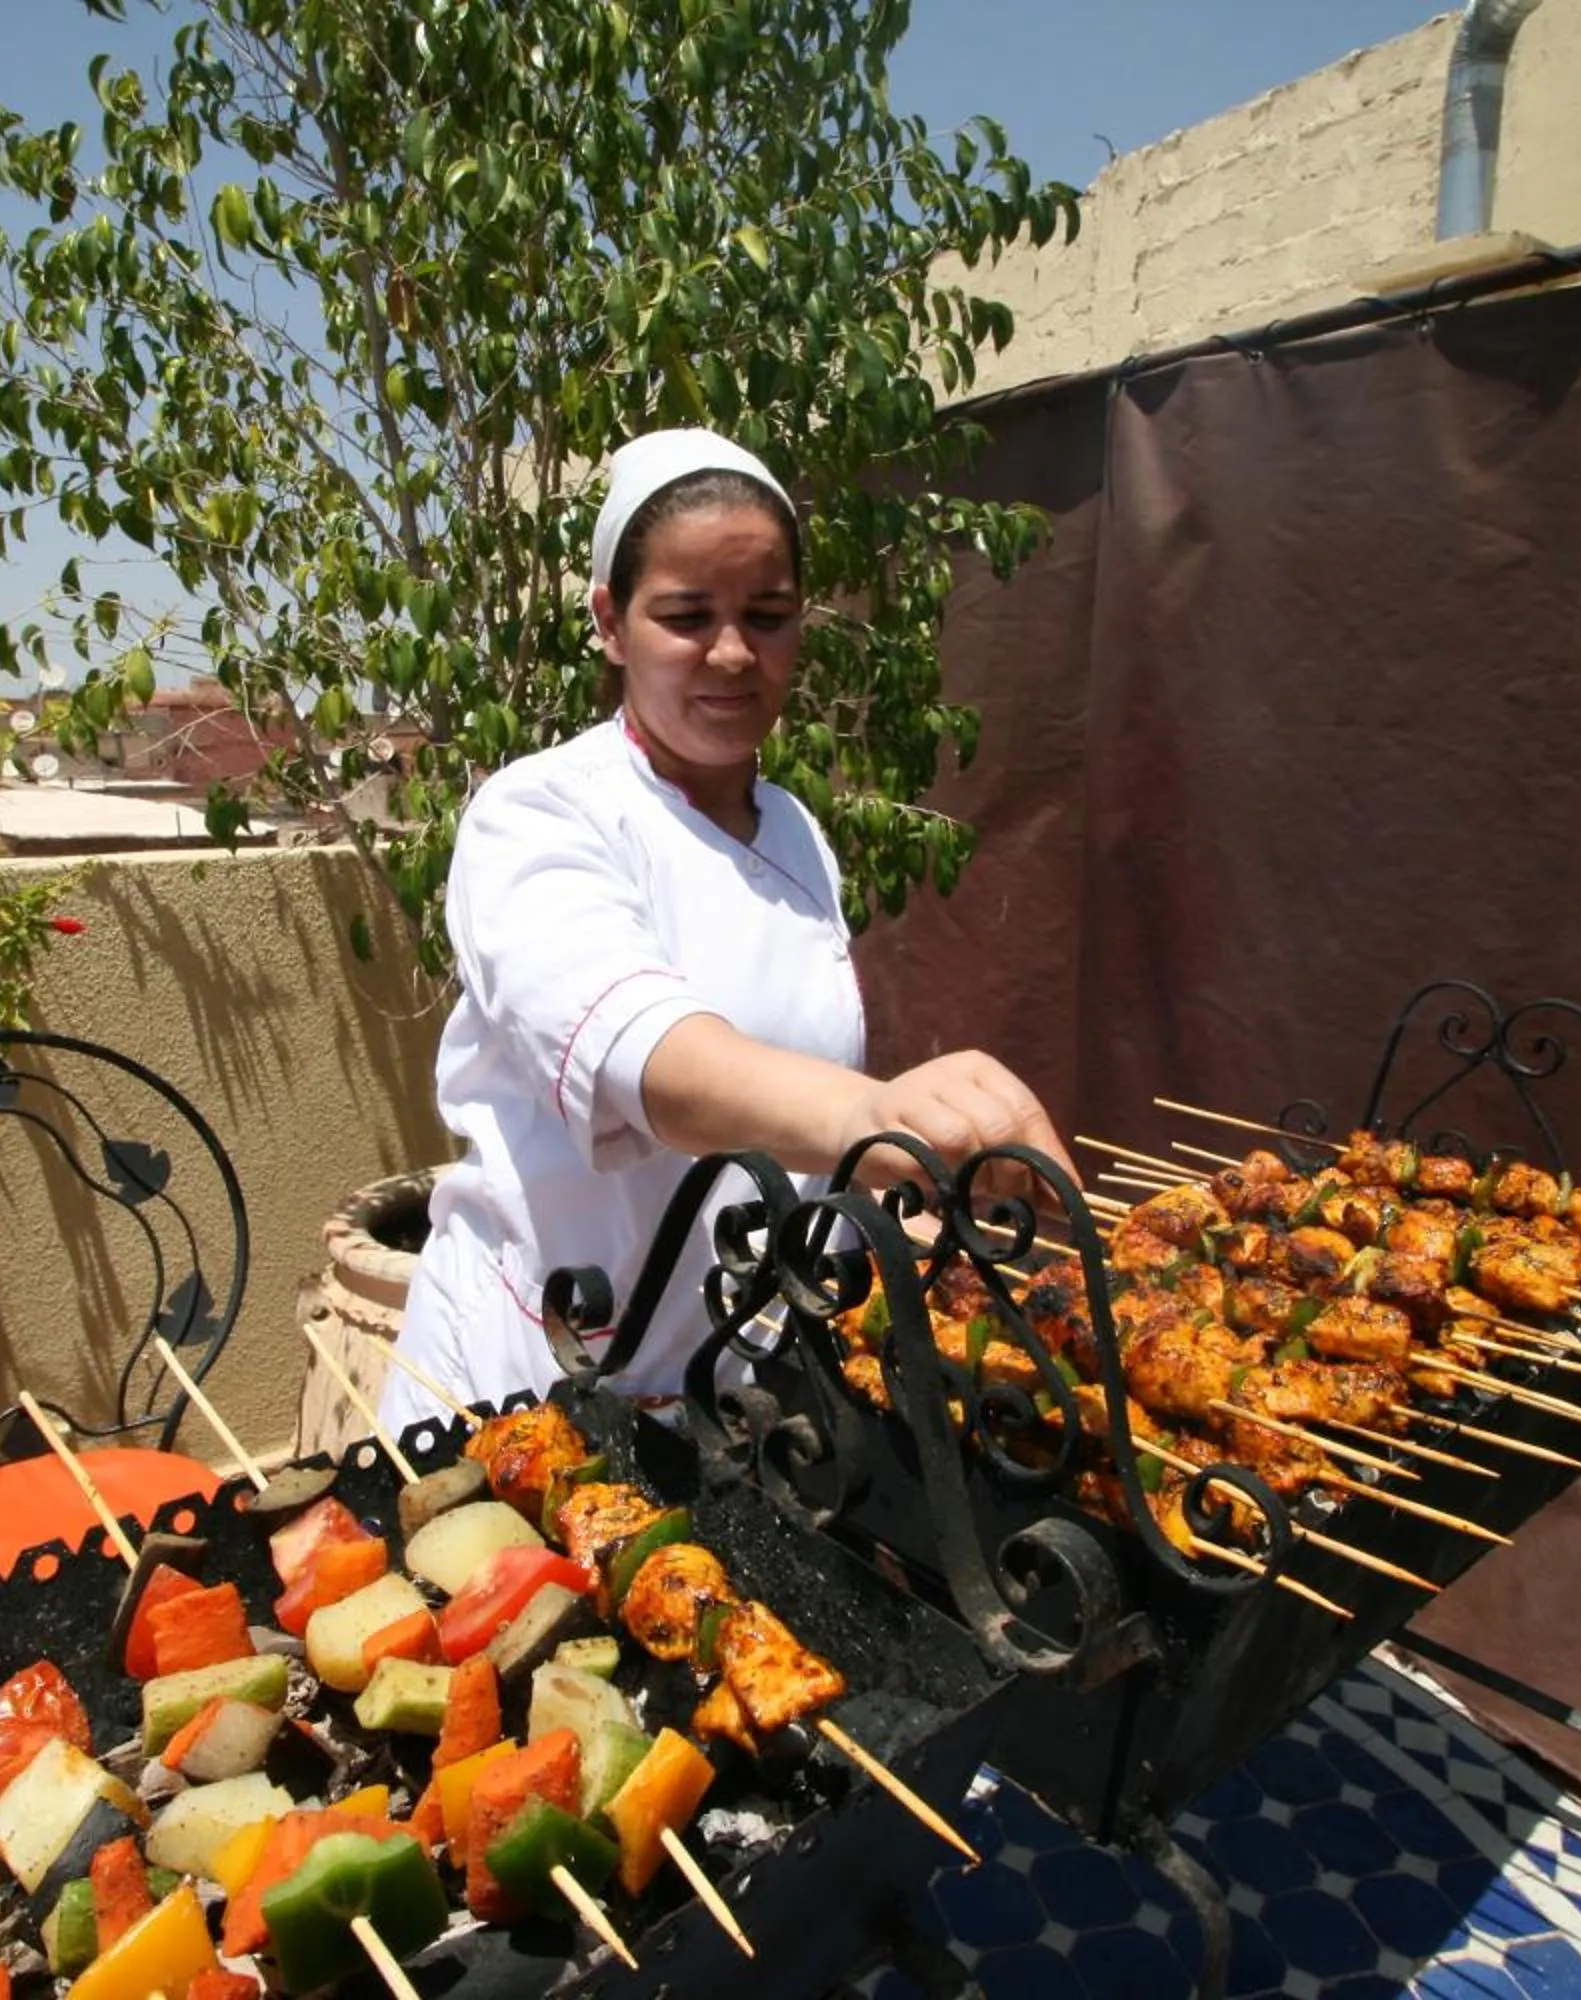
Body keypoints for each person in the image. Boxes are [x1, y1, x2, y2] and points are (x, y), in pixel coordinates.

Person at [376, 427, 1074, 1431]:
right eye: (687, 616)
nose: (736, 653)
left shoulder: (792, 828)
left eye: (769, 616)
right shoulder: (539, 813)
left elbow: (788, 1108)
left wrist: (885, 1211)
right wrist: (873, 1113)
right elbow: (650, 1060)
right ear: (611, 623)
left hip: (743, 1380)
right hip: (545, 1375)